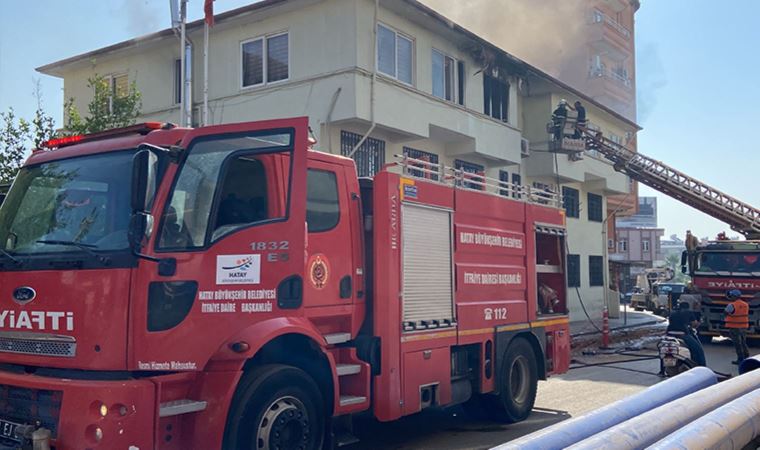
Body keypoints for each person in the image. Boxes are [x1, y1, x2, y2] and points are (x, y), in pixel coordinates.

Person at [666, 301, 706, 366]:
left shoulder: (672, 312)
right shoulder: (689, 312)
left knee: (664, 349)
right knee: (698, 350)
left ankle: (662, 370)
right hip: (682, 334)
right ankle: (702, 367)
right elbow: (694, 324)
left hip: (669, 333)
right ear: (688, 307)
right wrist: (699, 323)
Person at [724, 289, 750, 364]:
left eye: (731, 295)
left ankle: (740, 359)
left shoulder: (731, 305)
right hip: (744, 326)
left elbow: (726, 312)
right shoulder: (745, 304)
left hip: (734, 326)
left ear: (734, 296)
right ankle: (746, 356)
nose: (730, 297)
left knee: (737, 343)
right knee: (743, 342)